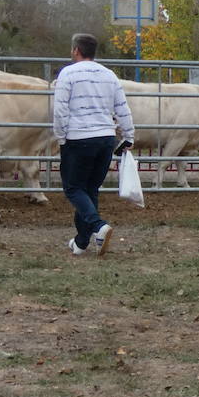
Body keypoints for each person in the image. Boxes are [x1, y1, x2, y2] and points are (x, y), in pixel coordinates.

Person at [52, 33, 135, 256]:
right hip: (106, 138)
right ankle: (81, 243)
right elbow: (122, 108)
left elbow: (60, 109)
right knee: (89, 190)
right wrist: (128, 136)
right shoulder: (109, 75)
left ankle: (99, 226)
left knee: (73, 188)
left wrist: (61, 136)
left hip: (78, 138)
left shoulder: (67, 74)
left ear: (76, 50)